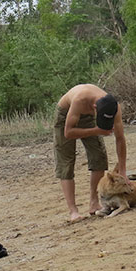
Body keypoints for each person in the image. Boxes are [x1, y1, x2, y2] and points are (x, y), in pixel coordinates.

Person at [54, 84, 127, 222]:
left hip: (88, 116)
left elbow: (120, 138)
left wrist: (122, 171)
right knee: (66, 162)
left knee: (99, 157)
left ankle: (94, 202)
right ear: (95, 108)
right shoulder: (79, 100)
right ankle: (73, 211)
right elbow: (68, 132)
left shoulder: (114, 107)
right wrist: (96, 131)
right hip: (66, 115)